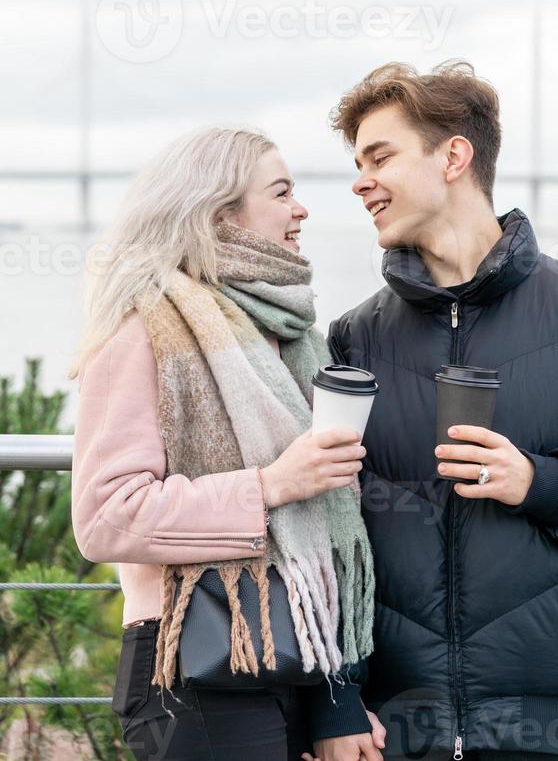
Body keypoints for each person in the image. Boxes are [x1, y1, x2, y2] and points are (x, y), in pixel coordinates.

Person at [324, 61, 558, 761]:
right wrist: (338, 702)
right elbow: (330, 529)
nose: (360, 180)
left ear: (454, 155)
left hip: (548, 725)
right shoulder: (357, 336)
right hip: (394, 727)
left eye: (380, 156)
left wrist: (543, 482)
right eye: (357, 163)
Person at [70, 126, 387, 761]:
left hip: (289, 657)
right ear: (219, 215)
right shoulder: (143, 333)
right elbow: (105, 519)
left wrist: (337, 701)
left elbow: (322, 527)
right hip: (189, 669)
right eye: (281, 192)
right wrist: (272, 484)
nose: (301, 209)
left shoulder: (291, 337)